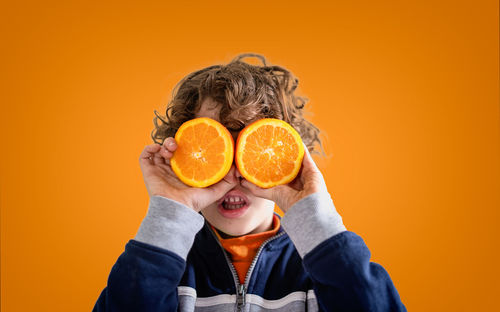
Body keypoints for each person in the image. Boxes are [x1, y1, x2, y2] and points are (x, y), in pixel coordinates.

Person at [93, 54, 407, 312]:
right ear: (184, 157)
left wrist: (314, 219)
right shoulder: (165, 264)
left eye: (251, 150)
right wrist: (169, 213)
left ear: (287, 158)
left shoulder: (318, 267)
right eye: (216, 150)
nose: (233, 174)